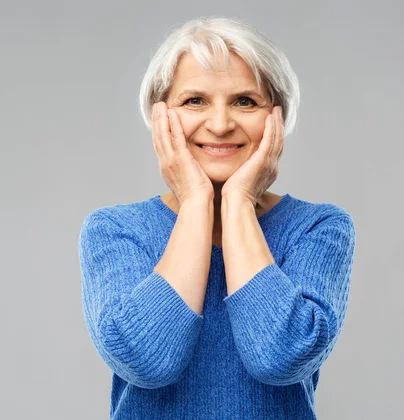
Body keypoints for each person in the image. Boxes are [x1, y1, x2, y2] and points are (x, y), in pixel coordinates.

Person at [78, 16, 356, 420]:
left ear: (276, 117)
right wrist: (195, 201)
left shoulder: (319, 228)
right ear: (160, 117)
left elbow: (279, 357)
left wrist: (240, 200)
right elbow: (147, 361)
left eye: (245, 101)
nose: (221, 124)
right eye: (195, 101)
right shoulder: (114, 231)